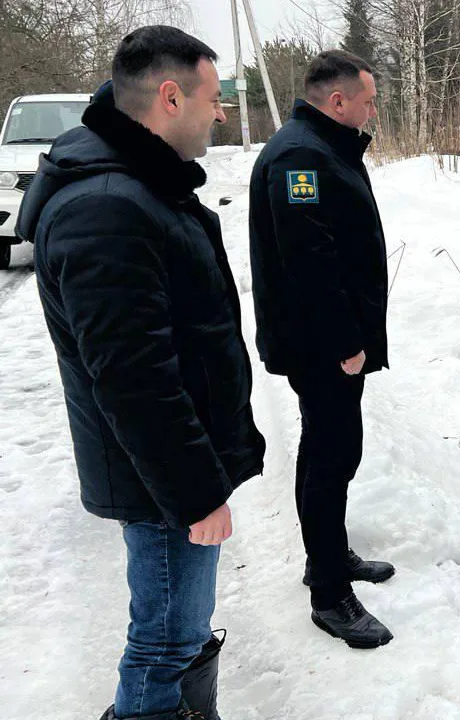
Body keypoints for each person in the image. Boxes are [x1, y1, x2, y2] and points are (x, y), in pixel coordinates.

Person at [17, 26, 264, 720]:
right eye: (213, 99)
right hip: (161, 484)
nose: (220, 114)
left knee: (176, 633)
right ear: (168, 95)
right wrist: (195, 495)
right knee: (163, 643)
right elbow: (134, 379)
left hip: (171, 471)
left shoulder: (135, 183)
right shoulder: (106, 207)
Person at [248, 49, 394, 649]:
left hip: (325, 342)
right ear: (338, 101)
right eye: (368, 100)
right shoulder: (301, 157)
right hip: (321, 345)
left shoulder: (320, 145)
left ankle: (329, 556)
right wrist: (345, 343)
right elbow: (309, 261)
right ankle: (330, 594)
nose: (373, 109)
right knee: (331, 456)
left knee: (333, 449)